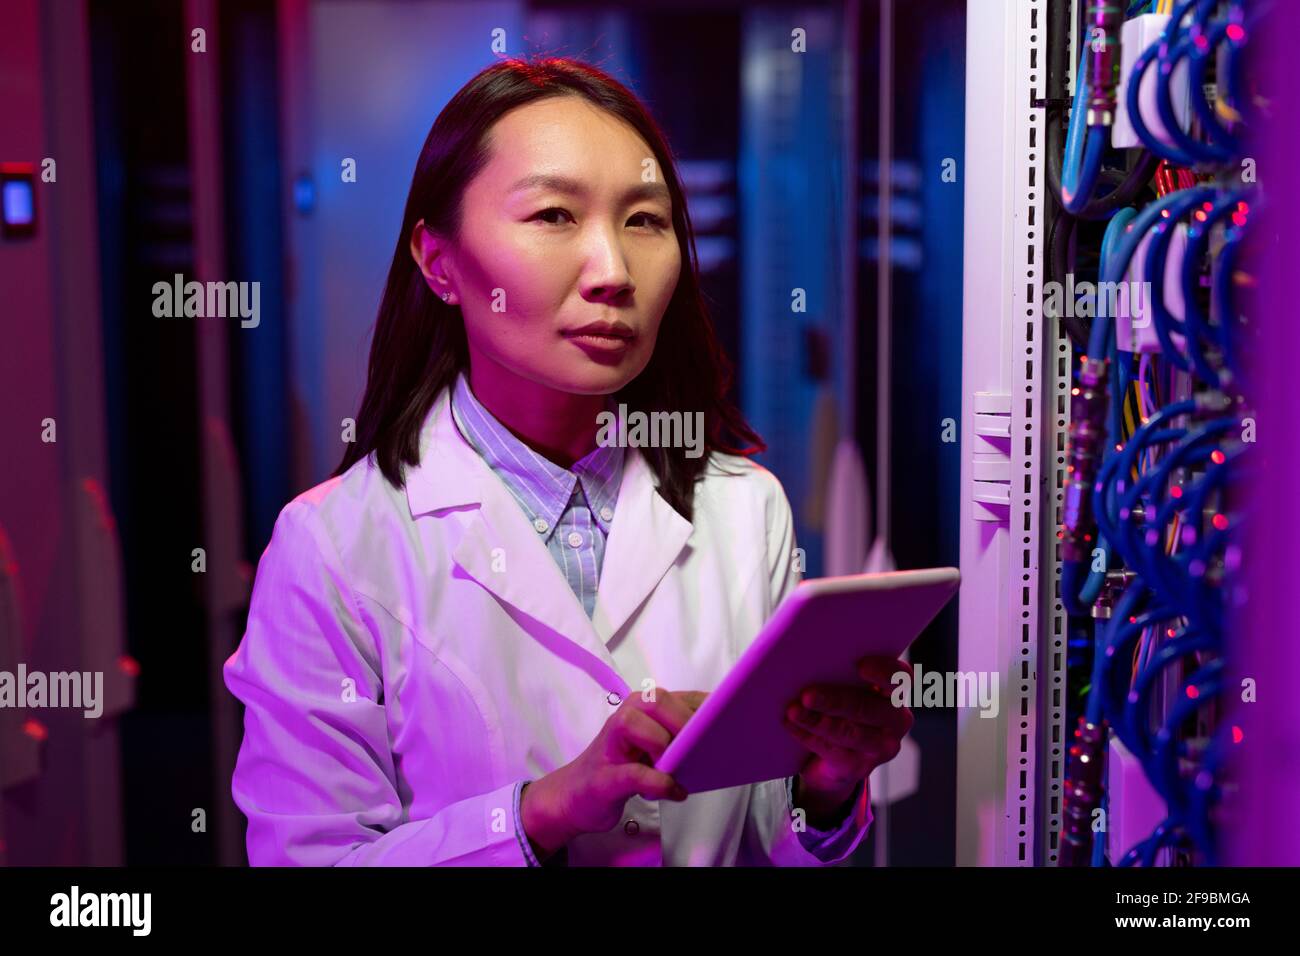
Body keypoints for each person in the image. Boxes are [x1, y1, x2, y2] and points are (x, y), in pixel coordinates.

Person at [223, 56, 913, 866]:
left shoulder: (743, 507)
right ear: (439, 261)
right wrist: (538, 813)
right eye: (553, 215)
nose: (613, 273)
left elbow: (767, 833)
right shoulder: (334, 546)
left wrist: (826, 782)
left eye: (645, 221)